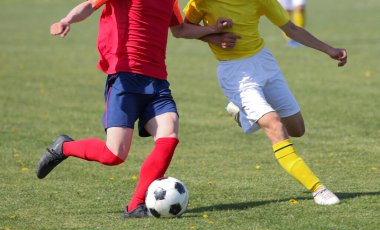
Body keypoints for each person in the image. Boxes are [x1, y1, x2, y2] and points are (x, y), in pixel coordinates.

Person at [36, 0, 232, 218]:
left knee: (169, 136)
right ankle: (64, 147)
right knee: (113, 155)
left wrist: (213, 31)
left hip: (157, 82)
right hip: (124, 79)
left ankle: (135, 206)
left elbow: (179, 29)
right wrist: (67, 20)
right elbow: (90, 5)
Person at [183, 0, 347, 205]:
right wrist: (214, 37)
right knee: (274, 124)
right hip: (236, 73)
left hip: (265, 63)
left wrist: (329, 49)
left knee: (297, 129)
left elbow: (291, 28)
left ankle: (241, 113)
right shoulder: (201, 1)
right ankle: (318, 189)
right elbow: (183, 28)